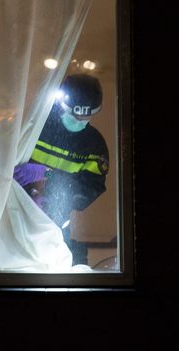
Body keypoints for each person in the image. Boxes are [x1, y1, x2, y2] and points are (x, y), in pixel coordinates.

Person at [13, 73, 109, 265]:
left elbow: (88, 190)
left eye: (86, 118)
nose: (79, 122)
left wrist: (48, 176)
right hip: (18, 213)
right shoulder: (35, 126)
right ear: (61, 104)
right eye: (74, 115)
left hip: (55, 223)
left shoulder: (94, 146)